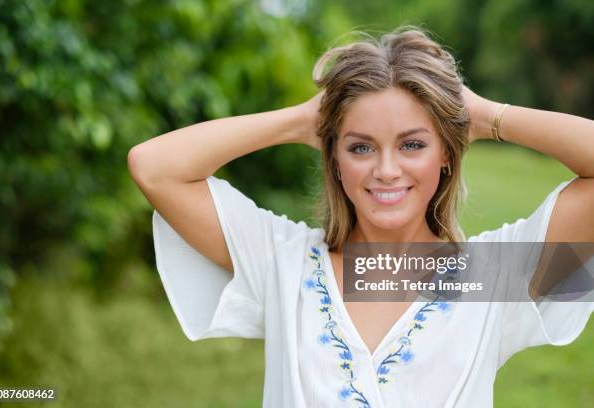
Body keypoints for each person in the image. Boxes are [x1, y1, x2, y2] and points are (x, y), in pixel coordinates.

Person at [127, 25, 594, 407]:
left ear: (447, 154)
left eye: (412, 144)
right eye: (360, 146)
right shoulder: (281, 262)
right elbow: (154, 168)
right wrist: (301, 121)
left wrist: (487, 115)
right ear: (333, 157)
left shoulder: (496, 278)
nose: (386, 171)